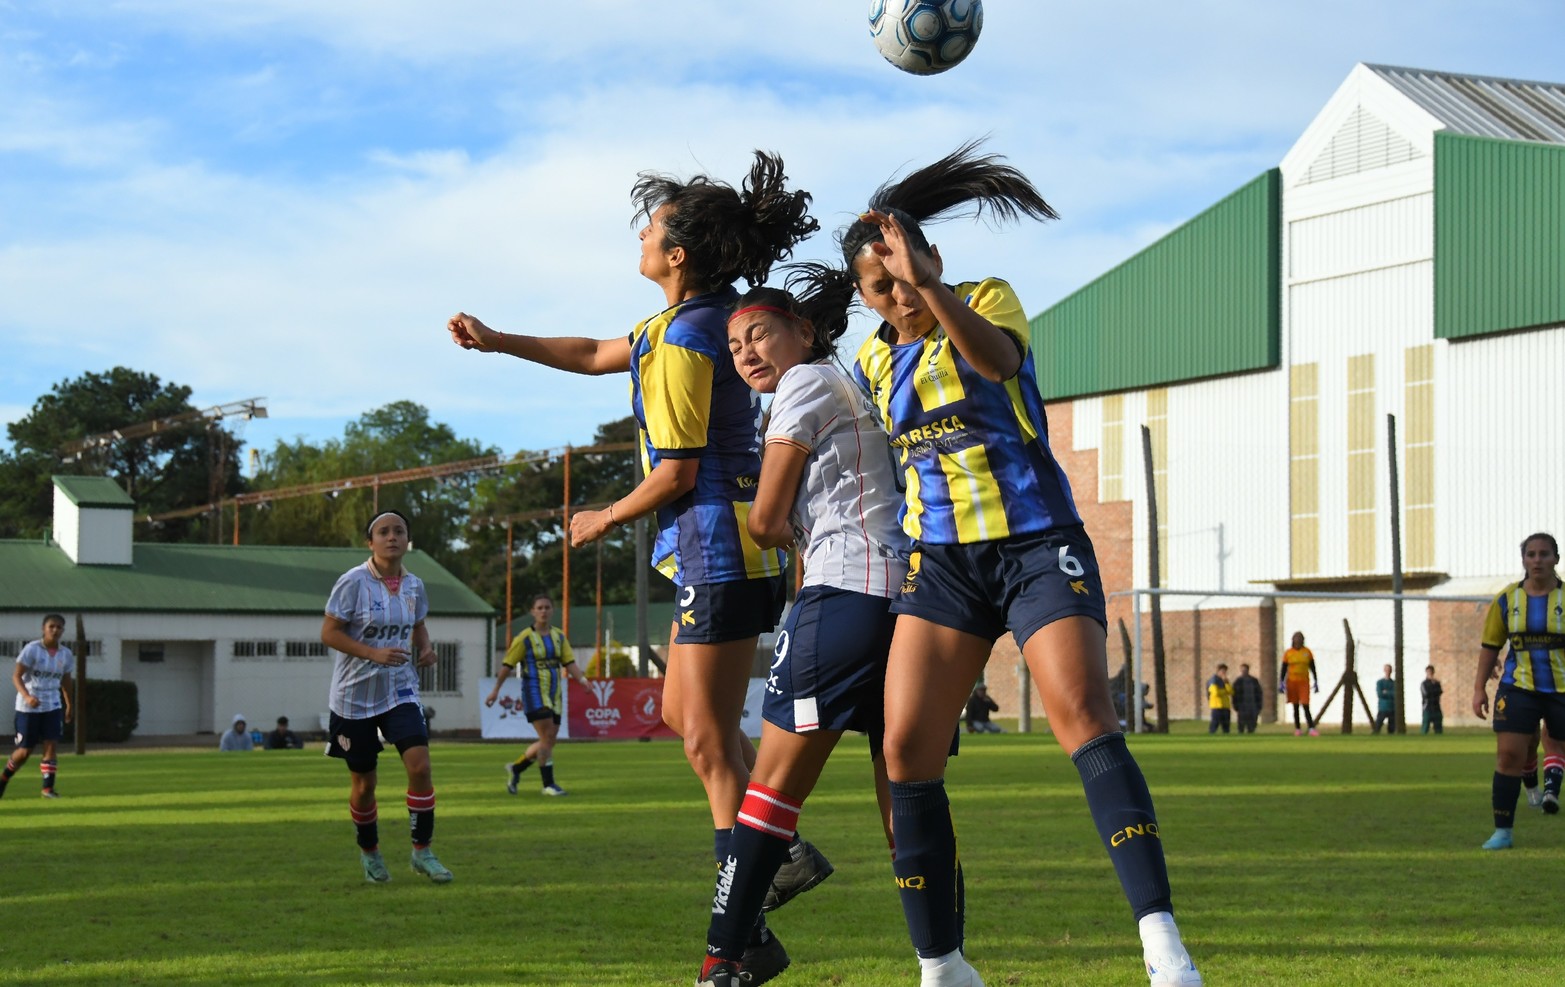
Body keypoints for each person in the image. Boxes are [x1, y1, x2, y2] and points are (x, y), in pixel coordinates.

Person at [446, 151, 825, 976]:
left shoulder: (688, 336)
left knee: (707, 739)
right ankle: (777, 856)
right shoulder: (681, 322)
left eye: (651, 229)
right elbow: (590, 352)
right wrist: (499, 340)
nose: (642, 236)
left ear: (677, 254)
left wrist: (601, 517)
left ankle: (750, 913)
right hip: (712, 549)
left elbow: (679, 471)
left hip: (721, 546)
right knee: (690, 721)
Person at [837, 142, 1198, 987]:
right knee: (904, 750)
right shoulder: (870, 362)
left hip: (1036, 544)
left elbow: (996, 363)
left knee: (1082, 714)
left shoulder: (983, 299)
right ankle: (942, 965)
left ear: (931, 259)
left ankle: (1162, 944)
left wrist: (930, 285)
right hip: (942, 566)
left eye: (905, 276)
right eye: (879, 287)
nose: (898, 297)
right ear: (862, 296)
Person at [696, 274, 907, 985]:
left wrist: (777, 528)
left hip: (843, 595)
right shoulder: (848, 384)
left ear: (805, 332)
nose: (746, 353)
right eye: (734, 346)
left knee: (769, 794)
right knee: (909, 797)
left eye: (758, 334)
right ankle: (943, 962)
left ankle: (724, 961)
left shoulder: (804, 383)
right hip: (903, 600)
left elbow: (762, 520)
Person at [320, 510, 452, 883]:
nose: (392, 537)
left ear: (407, 540)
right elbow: (329, 633)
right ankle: (370, 852)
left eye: (399, 531)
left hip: (400, 689)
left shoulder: (415, 585)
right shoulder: (353, 582)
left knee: (420, 767)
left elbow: (418, 624)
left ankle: (422, 851)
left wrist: (426, 648)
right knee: (365, 785)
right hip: (354, 698)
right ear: (370, 542)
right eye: (383, 532)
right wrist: (372, 653)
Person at [1473, 532, 1565, 850]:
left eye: (1544, 554)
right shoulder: (1507, 599)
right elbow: (1490, 646)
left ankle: (1549, 790)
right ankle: (1503, 831)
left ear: (1556, 559)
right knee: (1509, 754)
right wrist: (1479, 689)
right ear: (1524, 560)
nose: (1537, 560)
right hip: (1518, 687)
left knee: (1556, 745)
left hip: (1561, 690)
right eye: (1531, 554)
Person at [486, 594, 588, 797]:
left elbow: (569, 662)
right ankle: (548, 784)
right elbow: (507, 665)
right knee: (547, 737)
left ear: (552, 611)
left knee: (548, 741)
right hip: (534, 692)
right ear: (532, 612)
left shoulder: (559, 636)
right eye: (539, 608)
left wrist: (583, 681)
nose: (543, 611)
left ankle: (517, 768)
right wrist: (496, 689)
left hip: (555, 692)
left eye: (547, 607)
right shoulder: (524, 638)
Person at [1, 613, 73, 799]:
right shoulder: (32, 649)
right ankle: (3, 778)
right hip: (28, 707)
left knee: (51, 745)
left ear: (63, 631)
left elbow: (66, 681)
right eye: (51, 626)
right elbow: (16, 676)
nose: (55, 630)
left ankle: (47, 789)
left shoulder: (65, 654)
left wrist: (69, 705)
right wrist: (27, 696)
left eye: (59, 627)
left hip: (52, 705)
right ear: (44, 629)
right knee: (25, 751)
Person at [1279, 631, 1320, 736]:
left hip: (1304, 681)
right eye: (1296, 638)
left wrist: (1316, 680)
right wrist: (1281, 682)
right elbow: (1284, 668)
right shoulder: (1288, 653)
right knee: (1295, 706)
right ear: (1293, 640)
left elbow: (1312, 667)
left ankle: (1311, 728)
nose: (1298, 640)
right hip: (1292, 682)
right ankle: (1298, 729)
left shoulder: (1307, 652)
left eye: (1300, 638)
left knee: (1305, 704)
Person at [1231, 663, 1263, 734]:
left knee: (1252, 725)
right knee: (1241, 725)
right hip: (1242, 706)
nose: (1244, 671)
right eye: (1242, 670)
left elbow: (1259, 693)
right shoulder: (1238, 681)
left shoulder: (1254, 681)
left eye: (1245, 670)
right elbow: (1234, 695)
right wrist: (1235, 705)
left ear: (1248, 670)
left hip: (1253, 706)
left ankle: (1251, 733)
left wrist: (1259, 706)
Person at [1205, 665, 1232, 735]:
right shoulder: (1213, 680)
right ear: (1218, 671)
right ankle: (1211, 737)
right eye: (1222, 671)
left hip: (1225, 706)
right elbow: (1215, 692)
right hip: (1217, 706)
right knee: (1214, 724)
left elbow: (1231, 691)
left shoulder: (1225, 681)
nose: (1224, 673)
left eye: (1225, 671)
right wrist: (1225, 691)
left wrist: (1226, 683)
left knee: (1226, 726)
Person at [1372, 665, 1396, 735]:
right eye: (1387, 670)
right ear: (1384, 670)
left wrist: (1386, 692)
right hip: (1383, 708)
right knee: (1377, 727)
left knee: (1391, 729)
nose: (1388, 671)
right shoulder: (1380, 682)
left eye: (1389, 670)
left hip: (1392, 708)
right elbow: (1380, 694)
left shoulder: (1394, 683)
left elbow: (1395, 694)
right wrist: (1389, 693)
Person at [1420, 666, 1443, 734]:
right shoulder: (1424, 683)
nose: (1430, 673)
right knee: (1425, 727)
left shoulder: (1437, 683)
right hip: (1427, 708)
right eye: (1428, 672)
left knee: (1438, 727)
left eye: (1431, 672)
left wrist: (1434, 685)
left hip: (1436, 707)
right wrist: (1433, 689)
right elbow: (1426, 694)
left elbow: (1439, 692)